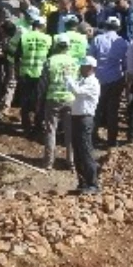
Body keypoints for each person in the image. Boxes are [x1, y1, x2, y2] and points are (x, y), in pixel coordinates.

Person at [43, 34, 80, 169]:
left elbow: (44, 83)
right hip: (70, 99)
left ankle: (48, 162)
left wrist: (40, 100)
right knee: (70, 131)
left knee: (50, 130)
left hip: (53, 98)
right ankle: (71, 161)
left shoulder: (50, 61)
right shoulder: (74, 61)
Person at [65, 57, 101, 195]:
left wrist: (68, 77)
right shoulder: (83, 80)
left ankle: (93, 183)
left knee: (85, 150)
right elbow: (72, 89)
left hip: (85, 118)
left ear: (91, 67)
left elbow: (77, 91)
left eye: (83, 66)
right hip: (77, 118)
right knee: (78, 151)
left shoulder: (92, 82)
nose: (81, 68)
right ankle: (83, 182)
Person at [92, 15, 128, 147]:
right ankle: (112, 140)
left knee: (97, 108)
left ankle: (93, 136)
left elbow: (91, 58)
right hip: (116, 78)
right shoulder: (122, 42)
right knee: (113, 110)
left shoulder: (98, 39)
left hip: (99, 79)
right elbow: (125, 63)